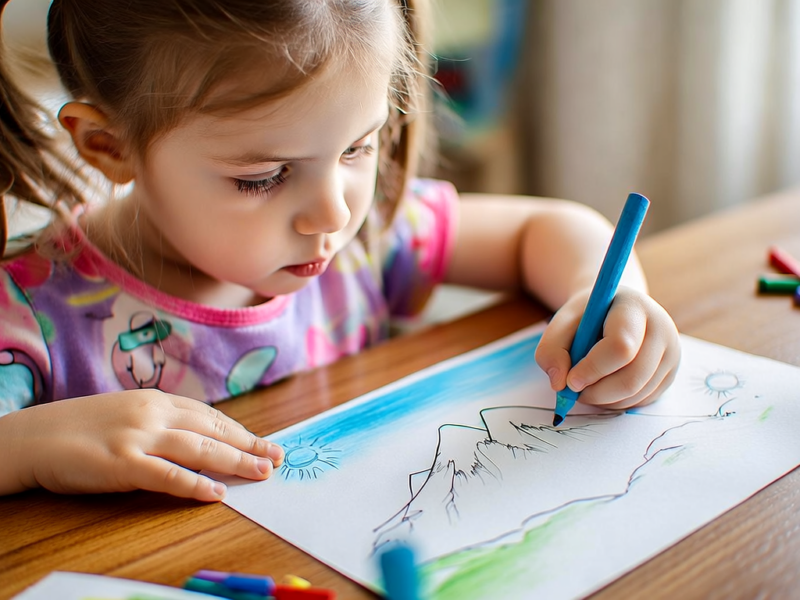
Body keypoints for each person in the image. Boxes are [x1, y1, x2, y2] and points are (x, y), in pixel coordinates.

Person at [0, 0, 680, 503]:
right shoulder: (33, 311)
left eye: (358, 146)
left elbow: (548, 231)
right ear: (108, 146)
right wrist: (26, 446)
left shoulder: (371, 234)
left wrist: (611, 297)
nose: (334, 212)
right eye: (261, 178)